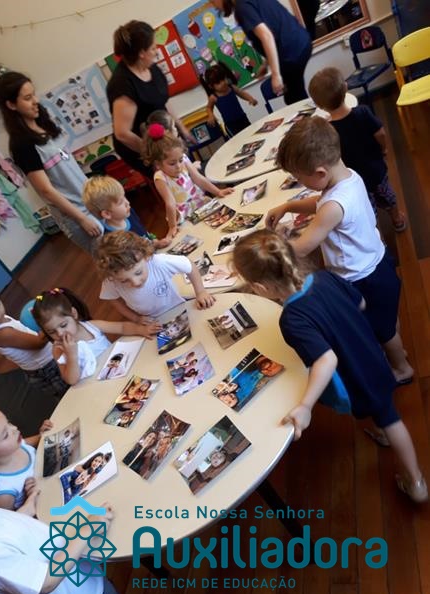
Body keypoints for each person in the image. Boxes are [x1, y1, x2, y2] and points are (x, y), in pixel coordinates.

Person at [232, 229, 428, 503]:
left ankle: (416, 481)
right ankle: (386, 435)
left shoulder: (292, 318)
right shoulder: (325, 278)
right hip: (372, 355)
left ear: (261, 288)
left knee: (390, 418)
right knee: (382, 408)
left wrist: (305, 405)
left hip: (355, 375)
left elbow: (326, 359)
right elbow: (360, 303)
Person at [265, 116, 413, 384]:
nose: (300, 183)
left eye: (300, 178)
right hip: (379, 263)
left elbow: (304, 246)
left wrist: (279, 243)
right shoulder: (349, 177)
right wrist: (288, 206)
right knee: (387, 318)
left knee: (383, 328)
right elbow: (320, 202)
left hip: (361, 278)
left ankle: (402, 369)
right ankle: (397, 349)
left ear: (320, 173)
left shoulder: (333, 207)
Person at [0, 72, 103, 254]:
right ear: (11, 105)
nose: (35, 101)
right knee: (114, 261)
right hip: (76, 215)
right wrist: (82, 219)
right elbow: (46, 191)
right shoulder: (22, 144)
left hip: (91, 201)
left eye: (33, 94)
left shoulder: (45, 124)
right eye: (27, 98)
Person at [0, 465, 118, 594]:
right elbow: (47, 582)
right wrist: (87, 530)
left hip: (85, 576)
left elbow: (4, 527)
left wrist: (28, 507)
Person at [308, 67, 406, 232]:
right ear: (346, 88)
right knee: (386, 194)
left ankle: (375, 233)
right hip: (376, 169)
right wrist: (383, 149)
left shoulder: (328, 129)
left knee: (366, 207)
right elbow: (380, 133)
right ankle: (397, 219)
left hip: (352, 178)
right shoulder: (363, 112)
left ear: (319, 105)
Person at [107, 20, 190, 178]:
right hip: (142, 145)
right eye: (153, 48)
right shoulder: (122, 84)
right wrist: (156, 155)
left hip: (164, 136)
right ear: (141, 53)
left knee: (188, 171)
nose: (157, 51)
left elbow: (163, 101)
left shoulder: (151, 67)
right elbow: (122, 133)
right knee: (173, 181)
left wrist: (180, 127)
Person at [31, 287, 160, 385]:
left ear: (74, 314)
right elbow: (71, 380)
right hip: (95, 387)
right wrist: (71, 355)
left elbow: (121, 327)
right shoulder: (58, 349)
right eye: (52, 332)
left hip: (120, 371)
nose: (60, 333)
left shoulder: (91, 327)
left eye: (63, 325)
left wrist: (141, 330)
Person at [95, 230, 216, 321]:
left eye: (138, 272)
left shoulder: (159, 262)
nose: (135, 282)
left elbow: (189, 265)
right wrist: (136, 318)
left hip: (180, 307)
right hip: (152, 320)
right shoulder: (111, 279)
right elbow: (112, 299)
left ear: (146, 256)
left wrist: (200, 292)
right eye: (124, 280)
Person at [142, 124, 233, 243]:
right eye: (172, 163)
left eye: (180, 160)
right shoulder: (160, 177)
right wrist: (172, 226)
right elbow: (170, 203)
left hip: (200, 203)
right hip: (184, 214)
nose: (178, 166)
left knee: (218, 226)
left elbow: (199, 179)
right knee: (201, 237)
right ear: (158, 164)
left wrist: (218, 191)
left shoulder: (184, 158)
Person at [0, 278, 69, 400]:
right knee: (68, 394)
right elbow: (38, 343)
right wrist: (47, 323)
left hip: (48, 360)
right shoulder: (0, 333)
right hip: (45, 369)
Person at [210, 0, 312, 105]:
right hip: (300, 43)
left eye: (212, 1)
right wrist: (265, 64)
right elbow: (274, 29)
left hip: (290, 53)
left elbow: (266, 36)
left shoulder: (242, 8)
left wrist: (276, 75)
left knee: (295, 99)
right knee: (296, 96)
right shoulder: (247, 3)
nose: (214, 6)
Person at [0, 407, 52, 511]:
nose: (14, 428)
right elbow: (16, 517)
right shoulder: (3, 493)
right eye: (5, 435)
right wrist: (29, 497)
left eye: (8, 423)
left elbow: (38, 441)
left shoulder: (15, 444)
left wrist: (44, 434)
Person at [82, 175, 167, 247]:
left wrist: (155, 242)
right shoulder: (111, 240)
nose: (127, 203)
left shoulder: (129, 213)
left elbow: (144, 233)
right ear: (107, 214)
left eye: (124, 197)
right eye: (121, 202)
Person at [204, 63, 257, 136]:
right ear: (211, 86)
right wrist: (211, 116)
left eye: (223, 79)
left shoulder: (231, 88)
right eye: (218, 82)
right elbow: (209, 108)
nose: (223, 83)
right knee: (238, 141)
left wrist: (250, 99)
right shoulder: (213, 97)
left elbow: (242, 93)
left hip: (243, 118)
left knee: (251, 135)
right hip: (231, 125)